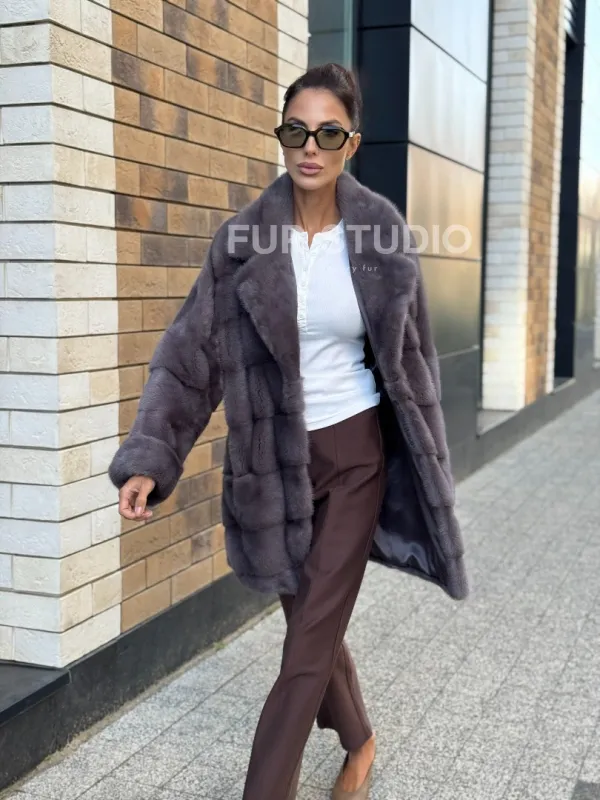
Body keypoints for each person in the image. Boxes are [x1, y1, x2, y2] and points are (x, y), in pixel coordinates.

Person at [109, 62, 469, 800]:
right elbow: (189, 356)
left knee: (305, 649)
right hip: (272, 467)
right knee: (314, 624)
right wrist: (152, 455)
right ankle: (360, 742)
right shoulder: (241, 243)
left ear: (352, 143)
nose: (311, 146)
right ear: (281, 137)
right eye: (297, 130)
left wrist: (430, 465)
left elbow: (415, 363)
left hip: (357, 456)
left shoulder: (381, 236)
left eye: (329, 133)